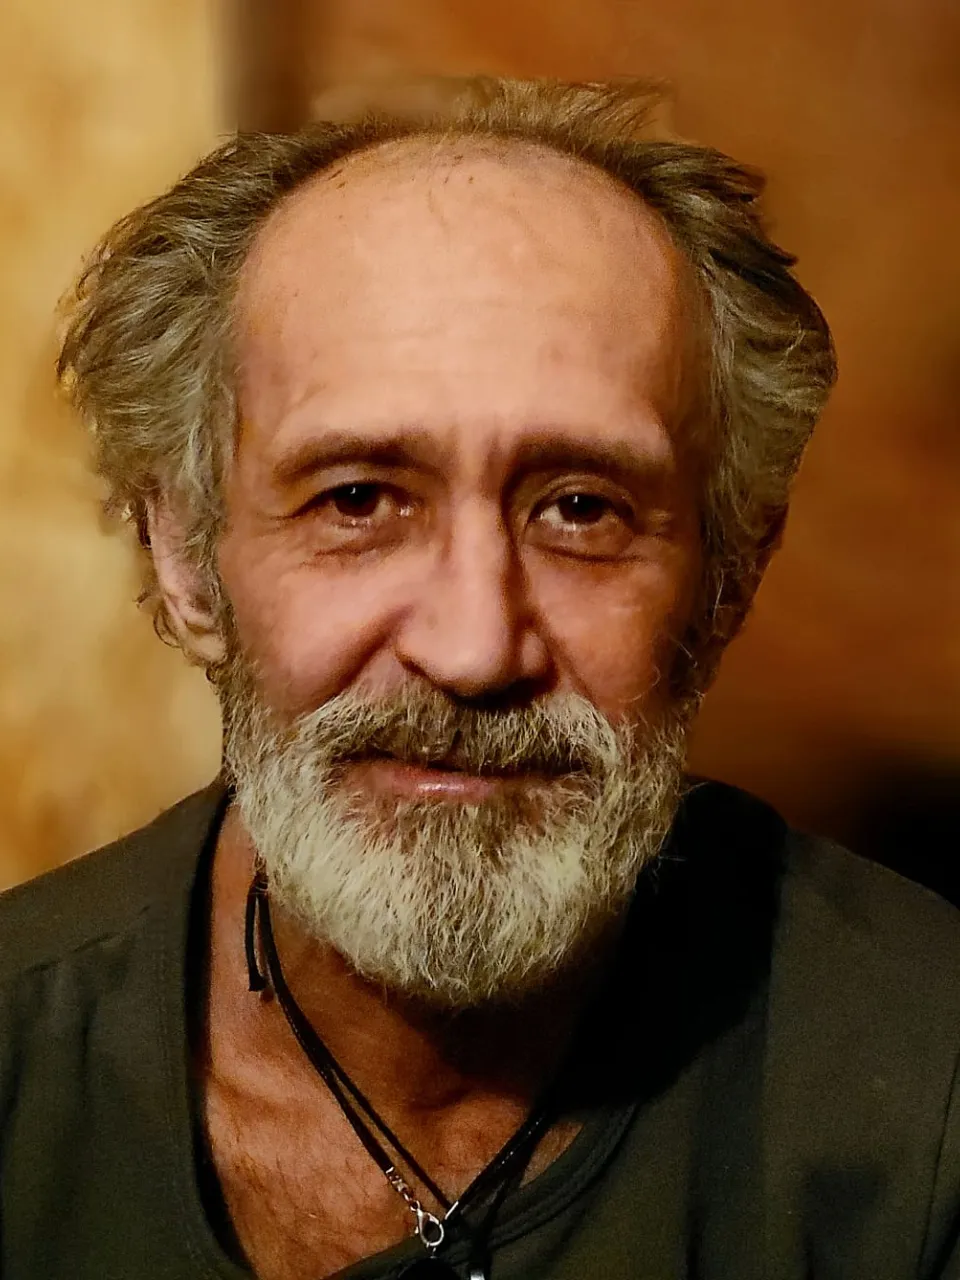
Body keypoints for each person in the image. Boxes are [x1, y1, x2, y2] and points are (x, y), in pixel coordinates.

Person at [1, 76, 957, 1280]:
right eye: (357, 499)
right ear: (189, 559)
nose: (473, 646)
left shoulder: (931, 1090)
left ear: (727, 580)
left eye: (580, 509)